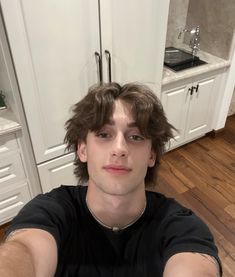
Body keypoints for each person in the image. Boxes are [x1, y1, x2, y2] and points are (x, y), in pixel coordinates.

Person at [0, 82, 222, 277]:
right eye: (104, 134)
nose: (119, 149)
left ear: (151, 155)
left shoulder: (181, 227)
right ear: (83, 149)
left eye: (135, 137)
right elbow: (25, 251)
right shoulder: (51, 212)